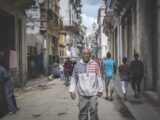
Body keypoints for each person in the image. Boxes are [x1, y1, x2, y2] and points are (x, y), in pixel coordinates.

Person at [69, 48, 103, 120]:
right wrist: (72, 91)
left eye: (88, 53)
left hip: (93, 93)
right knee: (82, 113)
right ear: (82, 55)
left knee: (94, 112)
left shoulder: (95, 64)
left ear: (90, 55)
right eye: (85, 53)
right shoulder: (77, 65)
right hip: (82, 94)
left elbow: (99, 77)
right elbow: (73, 79)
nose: (86, 55)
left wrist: (100, 90)